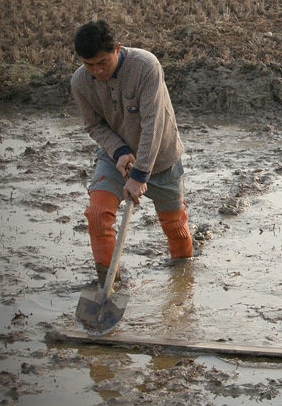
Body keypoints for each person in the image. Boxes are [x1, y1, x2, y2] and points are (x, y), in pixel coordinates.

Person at [71, 20, 193, 286]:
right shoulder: (80, 82)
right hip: (117, 160)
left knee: (175, 229)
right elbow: (94, 125)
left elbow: (154, 123)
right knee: (97, 215)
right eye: (89, 65)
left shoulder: (145, 66)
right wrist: (120, 152)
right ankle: (109, 285)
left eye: (103, 62)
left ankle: (183, 282)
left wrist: (140, 174)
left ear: (117, 48)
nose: (97, 71)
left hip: (161, 158)